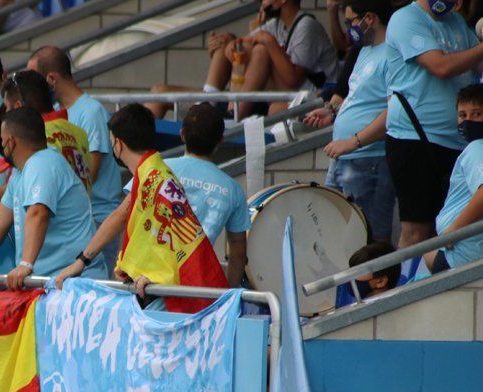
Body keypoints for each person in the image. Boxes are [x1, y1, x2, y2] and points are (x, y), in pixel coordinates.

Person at [54, 104, 228, 313]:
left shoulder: (155, 178)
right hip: (163, 290)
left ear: (117, 143)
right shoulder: (149, 174)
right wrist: (82, 261)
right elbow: (120, 216)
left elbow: (172, 240)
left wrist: (156, 275)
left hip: (170, 295)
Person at [0, 107, 106, 288]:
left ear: (11, 142)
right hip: (53, 282)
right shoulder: (19, 172)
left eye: (2, 141)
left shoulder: (43, 163)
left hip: (76, 282)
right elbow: (0, 220)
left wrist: (25, 264)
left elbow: (38, 214)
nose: (2, 147)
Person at [385, 0, 483, 249]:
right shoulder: (406, 18)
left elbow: (477, 63)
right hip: (416, 139)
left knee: (446, 225)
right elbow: (441, 67)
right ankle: (407, 287)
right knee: (417, 231)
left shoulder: (457, 21)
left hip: (458, 140)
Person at [303, 0, 395, 243]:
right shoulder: (364, 50)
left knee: (367, 240)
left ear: (370, 18)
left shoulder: (393, 53)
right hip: (344, 159)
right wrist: (331, 112)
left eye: (352, 21)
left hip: (369, 159)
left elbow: (395, 111)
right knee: (332, 236)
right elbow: (357, 97)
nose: (348, 28)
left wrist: (353, 142)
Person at [27, 46, 123, 275]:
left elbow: (91, 172)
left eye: (34, 78)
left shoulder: (91, 112)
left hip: (98, 221)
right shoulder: (56, 113)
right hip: (71, 221)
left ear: (51, 79)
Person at [160, 103, 250, 287]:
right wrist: (228, 294)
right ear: (221, 140)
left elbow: (127, 214)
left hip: (151, 281)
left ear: (182, 135)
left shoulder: (158, 168)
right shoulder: (232, 188)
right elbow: (238, 251)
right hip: (197, 287)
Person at [200, 0, 338, 119]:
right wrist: (227, 42)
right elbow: (239, 45)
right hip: (290, 90)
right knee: (230, 44)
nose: (262, 3)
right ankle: (207, 103)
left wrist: (269, 41)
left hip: (319, 94)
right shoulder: (276, 24)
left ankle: (233, 113)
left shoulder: (307, 26)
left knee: (261, 51)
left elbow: (293, 78)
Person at [0, 70, 93, 189]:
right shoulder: (79, 132)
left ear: (18, 107)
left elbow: (28, 187)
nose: (6, 114)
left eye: (7, 108)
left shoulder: (32, 140)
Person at [425, 84, 483, 273]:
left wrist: (452, 232)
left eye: (477, 114)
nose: (468, 121)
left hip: (461, 254)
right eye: (462, 115)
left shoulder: (477, 148)